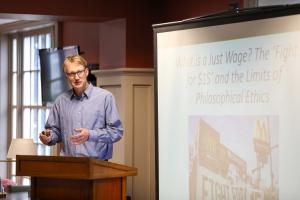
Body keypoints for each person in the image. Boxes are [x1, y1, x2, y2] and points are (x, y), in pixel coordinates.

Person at [39, 55, 123, 160]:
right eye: (71, 73)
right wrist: (48, 137)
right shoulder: (61, 101)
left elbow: (116, 132)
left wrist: (90, 134)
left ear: (86, 72)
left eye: (79, 72)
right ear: (66, 76)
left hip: (98, 166)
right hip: (68, 165)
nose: (76, 77)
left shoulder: (105, 97)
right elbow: (55, 131)